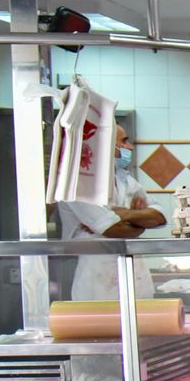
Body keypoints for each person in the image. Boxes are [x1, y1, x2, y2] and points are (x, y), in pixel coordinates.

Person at [57, 125, 166, 301]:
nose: (130, 147)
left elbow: (159, 217)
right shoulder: (78, 184)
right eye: (123, 141)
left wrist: (125, 215)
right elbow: (112, 229)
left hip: (137, 278)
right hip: (97, 284)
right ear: (104, 145)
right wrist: (139, 222)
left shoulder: (125, 180)